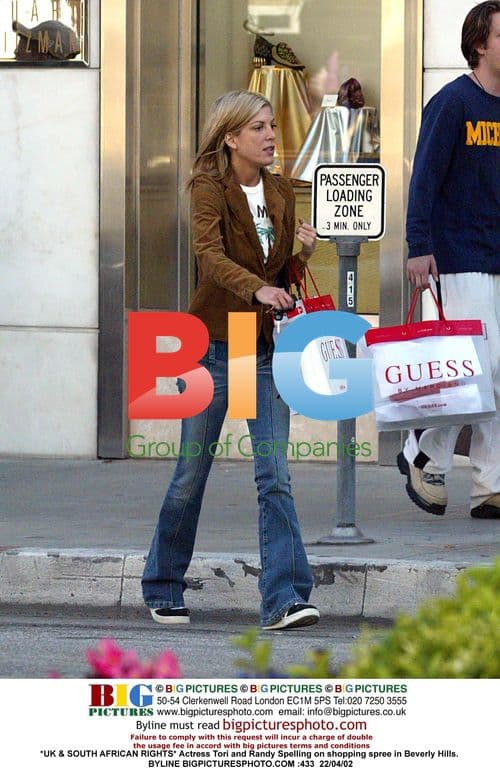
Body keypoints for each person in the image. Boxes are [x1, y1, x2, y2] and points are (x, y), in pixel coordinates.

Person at [142, 90, 320, 629]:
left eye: (272, 126)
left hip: (261, 347)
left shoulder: (282, 190)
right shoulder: (208, 187)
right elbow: (210, 257)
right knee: (191, 473)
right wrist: (257, 290)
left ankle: (284, 598)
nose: (271, 136)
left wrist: (300, 256)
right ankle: (163, 582)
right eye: (259, 127)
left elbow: (278, 273)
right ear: (231, 137)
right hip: (217, 344)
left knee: (275, 476)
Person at [399, 1, 500, 519]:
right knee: (477, 370)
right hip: (460, 257)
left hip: (497, 256)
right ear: (480, 44)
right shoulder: (452, 103)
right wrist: (419, 247)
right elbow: (423, 181)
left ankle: (489, 484)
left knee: (497, 374)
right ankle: (422, 450)